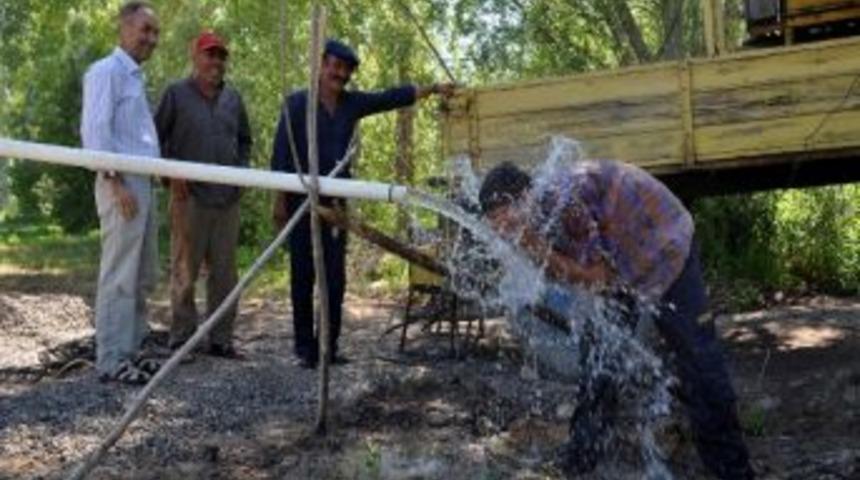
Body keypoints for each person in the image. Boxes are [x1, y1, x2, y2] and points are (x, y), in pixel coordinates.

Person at [478, 160, 755, 479]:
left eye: (503, 216)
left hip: (664, 248)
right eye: (493, 221)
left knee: (700, 366)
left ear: (525, 197)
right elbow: (582, 274)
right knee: (599, 363)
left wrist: (535, 248)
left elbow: (597, 279)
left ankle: (733, 471)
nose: (501, 228)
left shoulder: (563, 203)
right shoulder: (534, 217)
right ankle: (579, 465)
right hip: (620, 261)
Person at [270, 39, 454, 369]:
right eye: (335, 66)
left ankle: (328, 345)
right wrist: (278, 200)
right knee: (302, 275)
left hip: (337, 206)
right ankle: (304, 348)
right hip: (301, 202)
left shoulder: (351, 104)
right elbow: (281, 153)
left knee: (334, 279)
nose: (339, 74)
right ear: (322, 64)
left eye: (346, 69)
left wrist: (434, 88)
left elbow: (390, 97)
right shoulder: (296, 104)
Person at [154, 31, 252, 359]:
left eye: (221, 56)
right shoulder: (176, 94)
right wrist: (170, 172)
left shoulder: (234, 99)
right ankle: (182, 338)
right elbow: (154, 139)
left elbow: (245, 140)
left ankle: (221, 340)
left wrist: (240, 176)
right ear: (195, 57)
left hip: (227, 201)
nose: (216, 62)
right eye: (210, 54)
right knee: (185, 270)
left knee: (225, 275)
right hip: (189, 199)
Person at [81, 1, 161, 385]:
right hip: (121, 184)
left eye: (155, 32)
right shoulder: (106, 72)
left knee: (143, 273)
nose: (152, 39)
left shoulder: (135, 78)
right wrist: (115, 183)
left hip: (143, 184)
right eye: (145, 30)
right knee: (119, 274)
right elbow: (95, 133)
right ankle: (111, 359)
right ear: (124, 29)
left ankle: (131, 351)